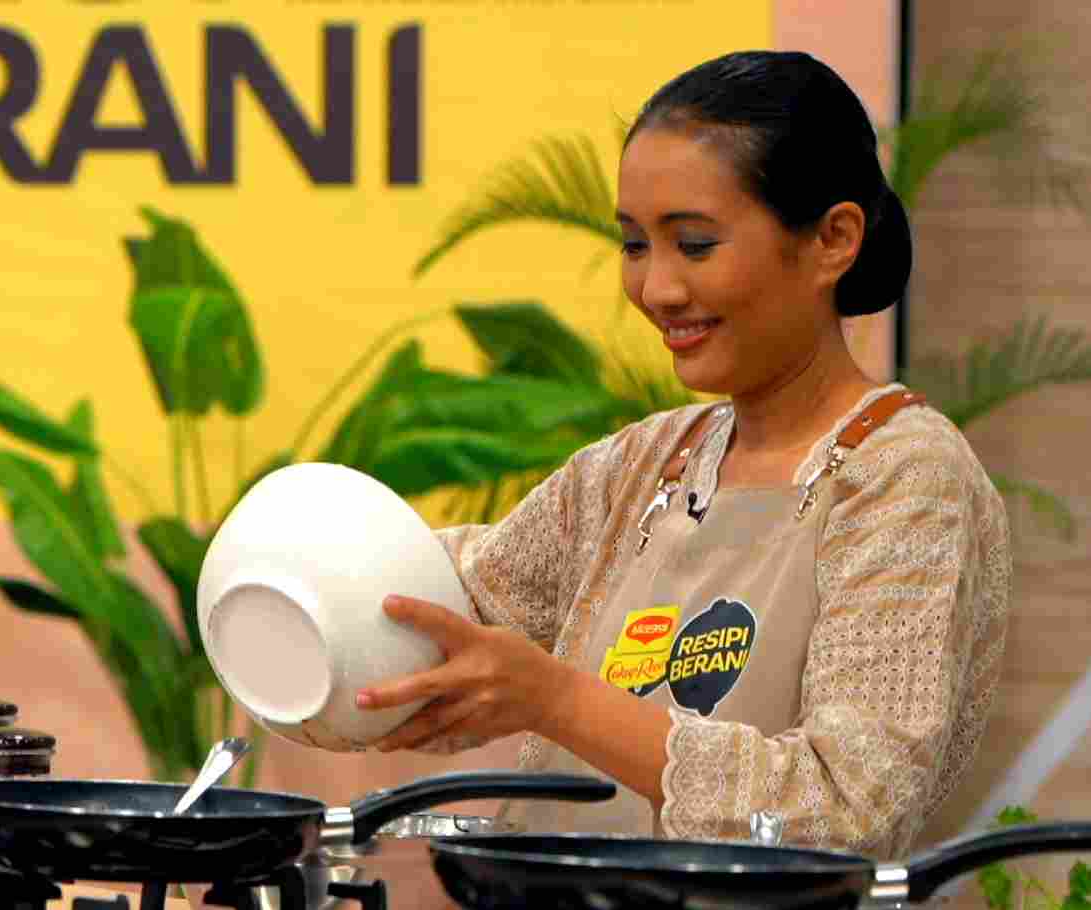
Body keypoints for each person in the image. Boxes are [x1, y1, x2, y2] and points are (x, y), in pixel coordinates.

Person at [355, 50, 1011, 858]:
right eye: (635, 245)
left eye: (694, 245)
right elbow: (452, 607)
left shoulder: (907, 478)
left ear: (833, 240)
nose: (657, 289)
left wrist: (554, 698)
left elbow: (845, 807)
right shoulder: (639, 464)